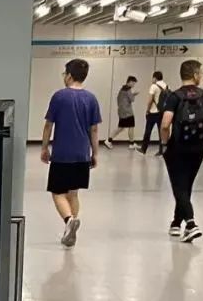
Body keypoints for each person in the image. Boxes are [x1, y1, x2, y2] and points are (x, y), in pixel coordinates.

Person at [160, 59, 203, 243]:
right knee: (186, 185)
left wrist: (164, 144)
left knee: (179, 186)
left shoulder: (174, 96)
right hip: (198, 148)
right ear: (195, 75)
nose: (201, 76)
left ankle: (190, 224)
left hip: (177, 147)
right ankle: (176, 222)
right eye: (201, 73)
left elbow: (165, 124)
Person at [40, 58, 101, 247]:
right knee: (73, 194)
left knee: (57, 192)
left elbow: (49, 125)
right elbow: (94, 130)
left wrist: (44, 147)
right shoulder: (91, 99)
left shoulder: (59, 97)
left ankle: (69, 221)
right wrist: (95, 153)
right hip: (82, 154)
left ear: (69, 75)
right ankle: (70, 230)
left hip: (62, 154)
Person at [139, 71, 169, 156]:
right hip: (162, 112)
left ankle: (143, 149)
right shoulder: (165, 85)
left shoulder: (154, 86)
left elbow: (150, 100)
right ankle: (161, 150)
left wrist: (147, 110)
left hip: (153, 112)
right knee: (161, 131)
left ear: (155, 78)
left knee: (148, 130)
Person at [103, 75, 138, 149]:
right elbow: (132, 99)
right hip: (127, 112)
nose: (134, 85)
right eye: (133, 83)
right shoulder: (128, 89)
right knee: (131, 126)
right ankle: (131, 144)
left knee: (121, 127)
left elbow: (120, 99)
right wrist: (134, 94)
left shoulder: (122, 89)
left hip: (121, 111)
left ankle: (109, 140)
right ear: (130, 82)